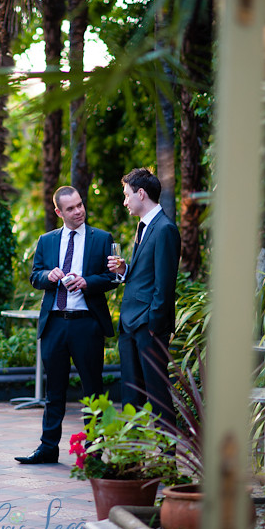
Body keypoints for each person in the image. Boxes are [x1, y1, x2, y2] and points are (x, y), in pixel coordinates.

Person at [15, 186, 119, 465]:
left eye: (80, 205)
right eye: (71, 208)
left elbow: (112, 278)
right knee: (54, 392)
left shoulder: (102, 238)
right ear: (59, 212)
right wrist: (49, 275)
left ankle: (95, 451)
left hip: (87, 324)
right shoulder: (47, 241)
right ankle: (48, 448)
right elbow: (35, 276)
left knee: (93, 391)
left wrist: (88, 282)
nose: (78, 211)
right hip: (55, 325)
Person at [107, 168, 181, 426]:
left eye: (127, 195)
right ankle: (132, 453)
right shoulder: (144, 226)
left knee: (157, 393)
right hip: (129, 325)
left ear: (141, 193)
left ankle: (166, 455)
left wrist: (153, 326)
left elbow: (164, 284)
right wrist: (125, 270)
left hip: (148, 327)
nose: (125, 201)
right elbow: (145, 275)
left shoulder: (165, 229)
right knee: (131, 394)